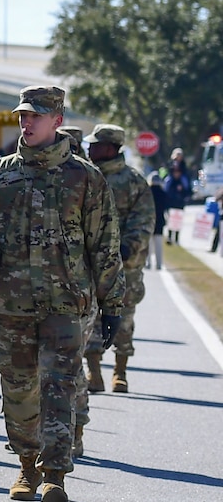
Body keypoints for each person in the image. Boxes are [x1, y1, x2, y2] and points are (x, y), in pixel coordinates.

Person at [0, 86, 124, 502]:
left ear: (57, 120)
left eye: (35, 116)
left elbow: (104, 244)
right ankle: (26, 463)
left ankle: (54, 476)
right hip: (11, 306)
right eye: (22, 115)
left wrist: (113, 305)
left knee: (60, 387)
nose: (25, 122)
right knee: (18, 389)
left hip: (65, 304)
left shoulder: (85, 178)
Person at [83, 124, 153, 395]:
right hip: (89, 263)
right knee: (89, 317)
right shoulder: (85, 177)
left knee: (123, 319)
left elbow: (144, 220)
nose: (90, 149)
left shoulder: (134, 181)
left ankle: (120, 373)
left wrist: (127, 247)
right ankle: (94, 373)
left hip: (125, 266)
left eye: (96, 145)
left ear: (111, 148)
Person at [162, 150, 193, 244]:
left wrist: (184, 189)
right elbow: (168, 172)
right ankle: (170, 236)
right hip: (172, 193)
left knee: (178, 217)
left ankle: (176, 237)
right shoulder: (171, 163)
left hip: (180, 194)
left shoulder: (183, 166)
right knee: (171, 217)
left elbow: (185, 174)